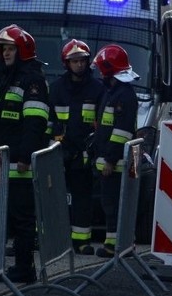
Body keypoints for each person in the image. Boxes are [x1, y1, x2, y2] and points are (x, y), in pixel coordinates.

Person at [0, 25, 50, 283]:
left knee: (23, 219)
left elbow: (35, 123)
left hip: (20, 163)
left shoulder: (32, 80)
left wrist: (25, 156)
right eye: (3, 48)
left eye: (10, 48)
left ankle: (25, 268)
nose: (5, 53)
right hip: (5, 160)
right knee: (7, 218)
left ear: (22, 50)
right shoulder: (9, 77)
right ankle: (8, 266)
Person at [49, 39, 105, 255]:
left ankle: (81, 242)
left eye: (82, 60)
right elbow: (50, 120)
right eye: (74, 61)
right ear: (66, 63)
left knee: (83, 199)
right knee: (52, 198)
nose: (79, 64)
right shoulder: (55, 89)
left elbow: (101, 122)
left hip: (84, 154)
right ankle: (46, 239)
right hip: (58, 153)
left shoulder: (97, 89)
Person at [91, 44, 139, 258]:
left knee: (113, 206)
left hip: (116, 164)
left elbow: (121, 132)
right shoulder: (115, 92)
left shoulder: (123, 95)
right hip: (112, 162)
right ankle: (114, 244)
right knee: (110, 205)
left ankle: (115, 246)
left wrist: (110, 160)